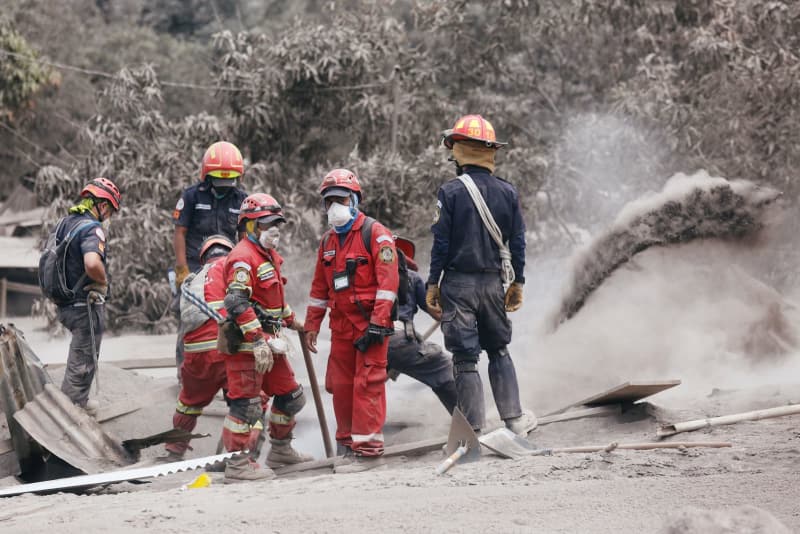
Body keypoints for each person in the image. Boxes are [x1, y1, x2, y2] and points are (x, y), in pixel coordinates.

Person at [426, 114, 537, 436]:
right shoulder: (507, 192)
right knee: (498, 349)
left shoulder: (450, 192)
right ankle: (514, 420)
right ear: (490, 151)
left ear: (459, 151)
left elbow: (441, 244)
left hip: (458, 285)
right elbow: (517, 242)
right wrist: (517, 282)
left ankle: (473, 427)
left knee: (464, 358)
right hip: (492, 283)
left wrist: (433, 283)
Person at [304, 168, 399, 474]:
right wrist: (312, 326)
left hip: (371, 326)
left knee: (367, 385)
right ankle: (347, 447)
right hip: (342, 328)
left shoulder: (376, 234)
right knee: (341, 387)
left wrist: (378, 323)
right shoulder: (328, 243)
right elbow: (319, 289)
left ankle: (369, 452)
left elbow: (388, 283)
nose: (334, 207)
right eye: (329, 202)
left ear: (355, 199)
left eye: (340, 199)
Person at [219, 193, 311, 483]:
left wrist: (292, 321)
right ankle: (237, 465)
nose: (275, 229)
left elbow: (271, 300)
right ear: (249, 226)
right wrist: (257, 339)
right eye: (267, 223)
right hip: (249, 346)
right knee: (246, 406)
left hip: (272, 344)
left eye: (277, 223)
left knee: (291, 397)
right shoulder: (243, 258)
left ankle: (280, 450)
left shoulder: (268, 256)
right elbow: (236, 302)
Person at [171, 141, 248, 372]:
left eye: (229, 179)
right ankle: (184, 371)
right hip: (195, 266)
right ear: (207, 174)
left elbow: (244, 238)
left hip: (227, 267)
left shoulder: (241, 199)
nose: (224, 184)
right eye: (219, 178)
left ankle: (227, 372)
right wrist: (181, 269)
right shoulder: (192, 196)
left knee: (230, 314)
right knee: (188, 316)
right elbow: (179, 232)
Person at [162, 234, 235, 462]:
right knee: (247, 400)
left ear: (204, 257)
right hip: (225, 349)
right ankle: (240, 456)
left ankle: (175, 450)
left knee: (189, 402)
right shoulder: (232, 268)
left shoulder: (192, 279)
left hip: (194, 355)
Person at [58, 177, 121, 414]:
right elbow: (92, 262)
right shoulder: (92, 228)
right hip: (83, 304)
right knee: (82, 365)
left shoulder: (65, 223)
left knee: (78, 357)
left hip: (64, 303)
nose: (109, 217)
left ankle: (76, 405)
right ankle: (71, 415)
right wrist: (103, 282)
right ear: (103, 206)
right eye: (110, 211)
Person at [386, 236, 457, 414]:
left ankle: (356, 436)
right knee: (444, 369)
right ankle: (470, 422)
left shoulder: (365, 279)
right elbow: (439, 312)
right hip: (397, 341)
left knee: (368, 387)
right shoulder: (410, 277)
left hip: (365, 340)